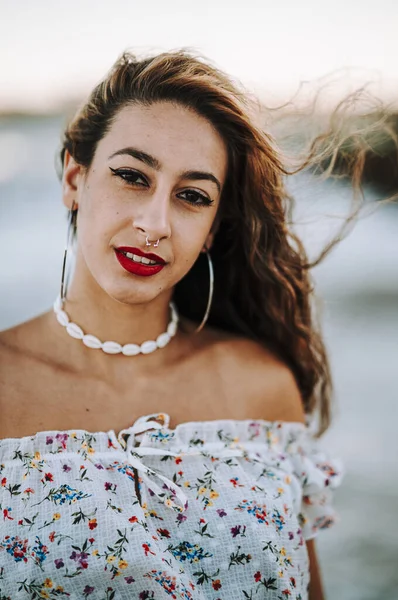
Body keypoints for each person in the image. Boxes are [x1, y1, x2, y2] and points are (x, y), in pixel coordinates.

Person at [0, 50, 343, 600]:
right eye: (133, 176)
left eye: (191, 196)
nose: (155, 224)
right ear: (74, 178)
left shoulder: (262, 388)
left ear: (211, 229)